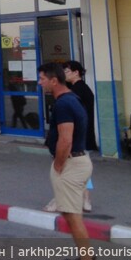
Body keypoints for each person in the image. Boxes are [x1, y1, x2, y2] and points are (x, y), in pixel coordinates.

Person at [38, 62, 94, 260]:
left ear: (54, 80)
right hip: (78, 160)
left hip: (71, 163)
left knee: (72, 215)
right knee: (71, 214)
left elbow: (66, 139)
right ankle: (85, 257)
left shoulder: (63, 104)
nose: (39, 83)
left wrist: (59, 165)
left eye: (42, 79)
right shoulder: (71, 98)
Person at [44, 60, 97, 213]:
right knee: (81, 171)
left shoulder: (77, 90)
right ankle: (85, 198)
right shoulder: (79, 89)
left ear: (76, 72)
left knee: (65, 170)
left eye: (66, 71)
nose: (64, 74)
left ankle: (63, 200)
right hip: (81, 136)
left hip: (77, 137)